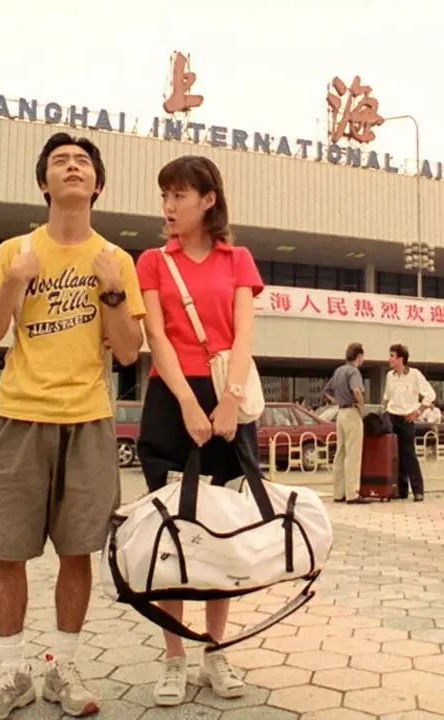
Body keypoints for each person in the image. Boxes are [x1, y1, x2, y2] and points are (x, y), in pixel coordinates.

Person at [0, 133, 146, 720]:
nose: (72, 167)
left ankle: (62, 667)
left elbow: (128, 351)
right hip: (16, 416)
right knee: (7, 550)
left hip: (87, 420)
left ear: (98, 185)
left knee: (78, 551)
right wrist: (16, 281)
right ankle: (10, 671)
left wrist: (111, 291)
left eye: (83, 162)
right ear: (43, 182)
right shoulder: (14, 250)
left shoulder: (115, 260)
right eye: (60, 162)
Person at [134, 155, 261, 707]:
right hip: (171, 401)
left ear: (208, 200)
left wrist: (229, 402)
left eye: (179, 195)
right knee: (172, 532)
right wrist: (188, 403)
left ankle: (215, 650)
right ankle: (173, 657)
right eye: (165, 195)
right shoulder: (153, 261)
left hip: (227, 397)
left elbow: (244, 334)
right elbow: (155, 337)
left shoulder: (238, 259)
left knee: (221, 530)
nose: (168, 206)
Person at [383, 344, 435, 502]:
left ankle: (418, 490)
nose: (389, 359)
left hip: (407, 418)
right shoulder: (389, 376)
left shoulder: (414, 374)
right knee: (395, 455)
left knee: (409, 454)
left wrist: (418, 412)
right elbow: (387, 397)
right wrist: (386, 411)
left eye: (392, 356)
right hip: (392, 416)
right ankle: (401, 490)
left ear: (401, 359)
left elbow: (430, 395)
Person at [324, 342, 367, 504]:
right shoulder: (353, 371)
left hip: (340, 413)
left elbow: (327, 391)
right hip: (351, 412)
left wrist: (337, 400)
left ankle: (338, 492)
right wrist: (361, 404)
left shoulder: (338, 371)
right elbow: (356, 389)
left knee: (340, 453)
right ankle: (352, 493)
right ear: (359, 356)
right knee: (353, 453)